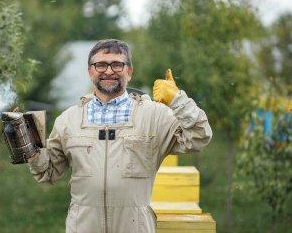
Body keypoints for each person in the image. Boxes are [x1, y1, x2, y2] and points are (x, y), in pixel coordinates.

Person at [27, 39, 212, 233]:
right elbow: (47, 172)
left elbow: (199, 136)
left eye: (117, 64)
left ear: (129, 72)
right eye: (100, 64)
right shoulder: (68, 119)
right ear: (90, 71)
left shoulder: (154, 116)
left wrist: (177, 100)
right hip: (83, 227)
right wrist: (30, 147)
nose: (108, 71)